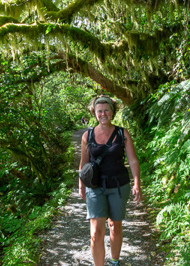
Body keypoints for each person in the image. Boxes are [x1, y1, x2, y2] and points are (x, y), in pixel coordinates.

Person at [79, 95, 142, 266]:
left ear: (112, 112)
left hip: (119, 185)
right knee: (96, 232)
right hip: (95, 186)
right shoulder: (88, 135)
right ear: (94, 113)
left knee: (115, 226)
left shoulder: (122, 133)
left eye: (106, 110)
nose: (103, 114)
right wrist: (81, 184)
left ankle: (114, 261)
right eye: (99, 111)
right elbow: (84, 162)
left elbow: (133, 160)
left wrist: (137, 183)